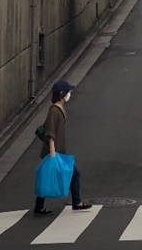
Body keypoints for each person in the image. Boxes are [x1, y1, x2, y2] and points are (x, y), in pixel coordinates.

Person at [34, 80, 92, 216]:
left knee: (47, 176)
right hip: (55, 152)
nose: (69, 94)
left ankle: (39, 206)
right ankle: (76, 202)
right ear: (61, 93)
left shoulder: (59, 109)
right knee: (74, 174)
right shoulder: (54, 111)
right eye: (68, 92)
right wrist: (53, 154)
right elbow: (50, 133)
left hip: (58, 152)